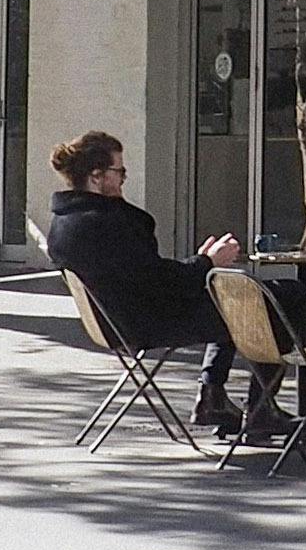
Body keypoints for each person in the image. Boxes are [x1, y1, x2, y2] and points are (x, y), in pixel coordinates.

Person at [40, 129, 280, 433]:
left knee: (234, 301)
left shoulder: (64, 223)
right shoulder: (107, 224)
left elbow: (142, 274)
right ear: (97, 177)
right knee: (273, 302)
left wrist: (201, 263)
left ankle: (214, 397)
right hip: (148, 322)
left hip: (116, 323)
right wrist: (206, 263)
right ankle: (261, 410)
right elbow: (160, 282)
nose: (123, 179)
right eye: (120, 171)